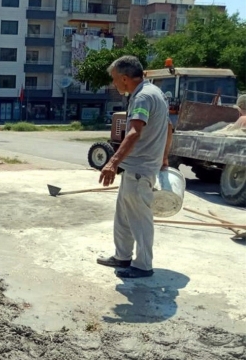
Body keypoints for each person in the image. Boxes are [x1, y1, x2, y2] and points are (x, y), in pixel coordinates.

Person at [97, 55, 170, 279]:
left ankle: (143, 265)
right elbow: (169, 129)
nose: (114, 84)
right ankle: (122, 256)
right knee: (124, 216)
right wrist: (164, 158)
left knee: (139, 219)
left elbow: (134, 132)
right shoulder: (154, 93)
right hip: (137, 169)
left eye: (114, 79)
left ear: (126, 78)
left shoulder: (143, 98)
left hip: (140, 169)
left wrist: (112, 162)